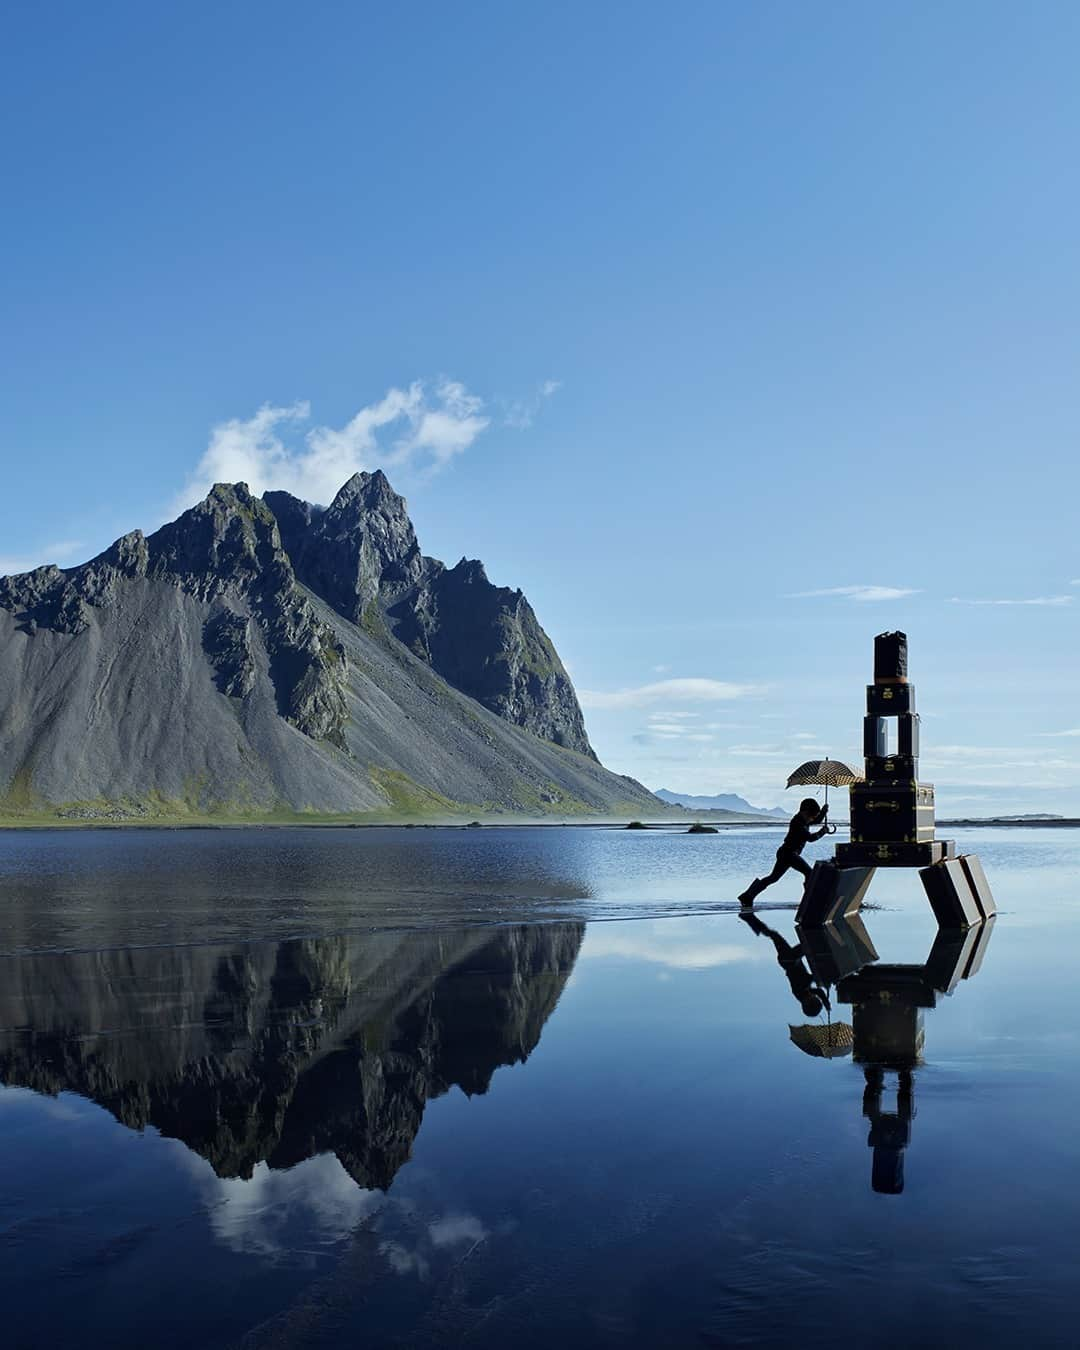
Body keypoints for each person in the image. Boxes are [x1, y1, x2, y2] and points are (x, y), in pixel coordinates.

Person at [738, 797, 830, 906]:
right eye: (811, 816)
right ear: (805, 812)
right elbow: (810, 838)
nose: (812, 819)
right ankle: (808, 901)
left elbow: (816, 820)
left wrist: (824, 811)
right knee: (809, 873)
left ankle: (747, 896)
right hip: (789, 854)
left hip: (786, 853)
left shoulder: (804, 820)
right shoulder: (797, 822)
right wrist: (822, 832)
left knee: (773, 877)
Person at [738, 910, 830, 1018]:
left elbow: (809, 979)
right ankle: (750, 920)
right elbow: (819, 991)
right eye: (817, 998)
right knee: (775, 935)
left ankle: (750, 919)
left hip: (788, 960)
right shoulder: (806, 993)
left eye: (815, 999)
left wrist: (823, 980)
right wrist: (826, 1003)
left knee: (805, 944)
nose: (815, 996)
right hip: (791, 959)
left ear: (806, 1003)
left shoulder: (799, 992)